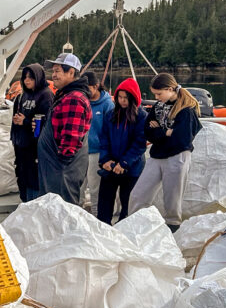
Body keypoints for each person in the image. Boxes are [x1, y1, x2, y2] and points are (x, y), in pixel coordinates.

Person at [128, 73, 202, 229]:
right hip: (157, 155)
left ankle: (173, 229)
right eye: (155, 94)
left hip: (177, 157)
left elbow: (182, 139)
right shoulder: (159, 106)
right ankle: (134, 226)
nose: (157, 97)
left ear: (170, 89)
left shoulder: (186, 110)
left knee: (172, 201)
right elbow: (147, 130)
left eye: (159, 94)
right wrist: (166, 132)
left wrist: (160, 132)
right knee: (138, 195)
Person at [37, 53, 92, 204]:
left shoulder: (73, 98)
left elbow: (72, 137)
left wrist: (60, 166)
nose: (53, 75)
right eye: (53, 71)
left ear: (71, 72)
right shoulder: (65, 95)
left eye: (57, 71)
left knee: (62, 214)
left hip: (61, 171)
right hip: (55, 169)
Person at [96, 78, 148, 225]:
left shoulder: (141, 116)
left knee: (128, 204)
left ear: (133, 98)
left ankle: (125, 231)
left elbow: (139, 144)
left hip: (131, 169)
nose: (122, 101)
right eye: (120, 97)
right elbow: (104, 138)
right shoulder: (110, 115)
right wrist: (105, 159)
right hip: (110, 165)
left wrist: (124, 163)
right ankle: (103, 228)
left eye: (126, 98)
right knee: (104, 204)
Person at [10, 63, 54, 202]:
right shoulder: (23, 95)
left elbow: (46, 123)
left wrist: (26, 122)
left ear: (38, 77)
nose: (27, 80)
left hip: (36, 146)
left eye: (31, 77)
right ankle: (25, 202)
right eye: (25, 77)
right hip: (21, 144)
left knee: (34, 179)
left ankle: (34, 204)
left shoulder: (46, 95)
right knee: (22, 176)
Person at [83, 72, 114, 214]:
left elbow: (111, 130)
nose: (84, 92)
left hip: (97, 152)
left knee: (95, 188)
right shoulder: (83, 101)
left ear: (96, 86)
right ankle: (77, 214)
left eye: (87, 88)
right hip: (81, 151)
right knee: (79, 187)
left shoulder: (107, 105)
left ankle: (96, 215)